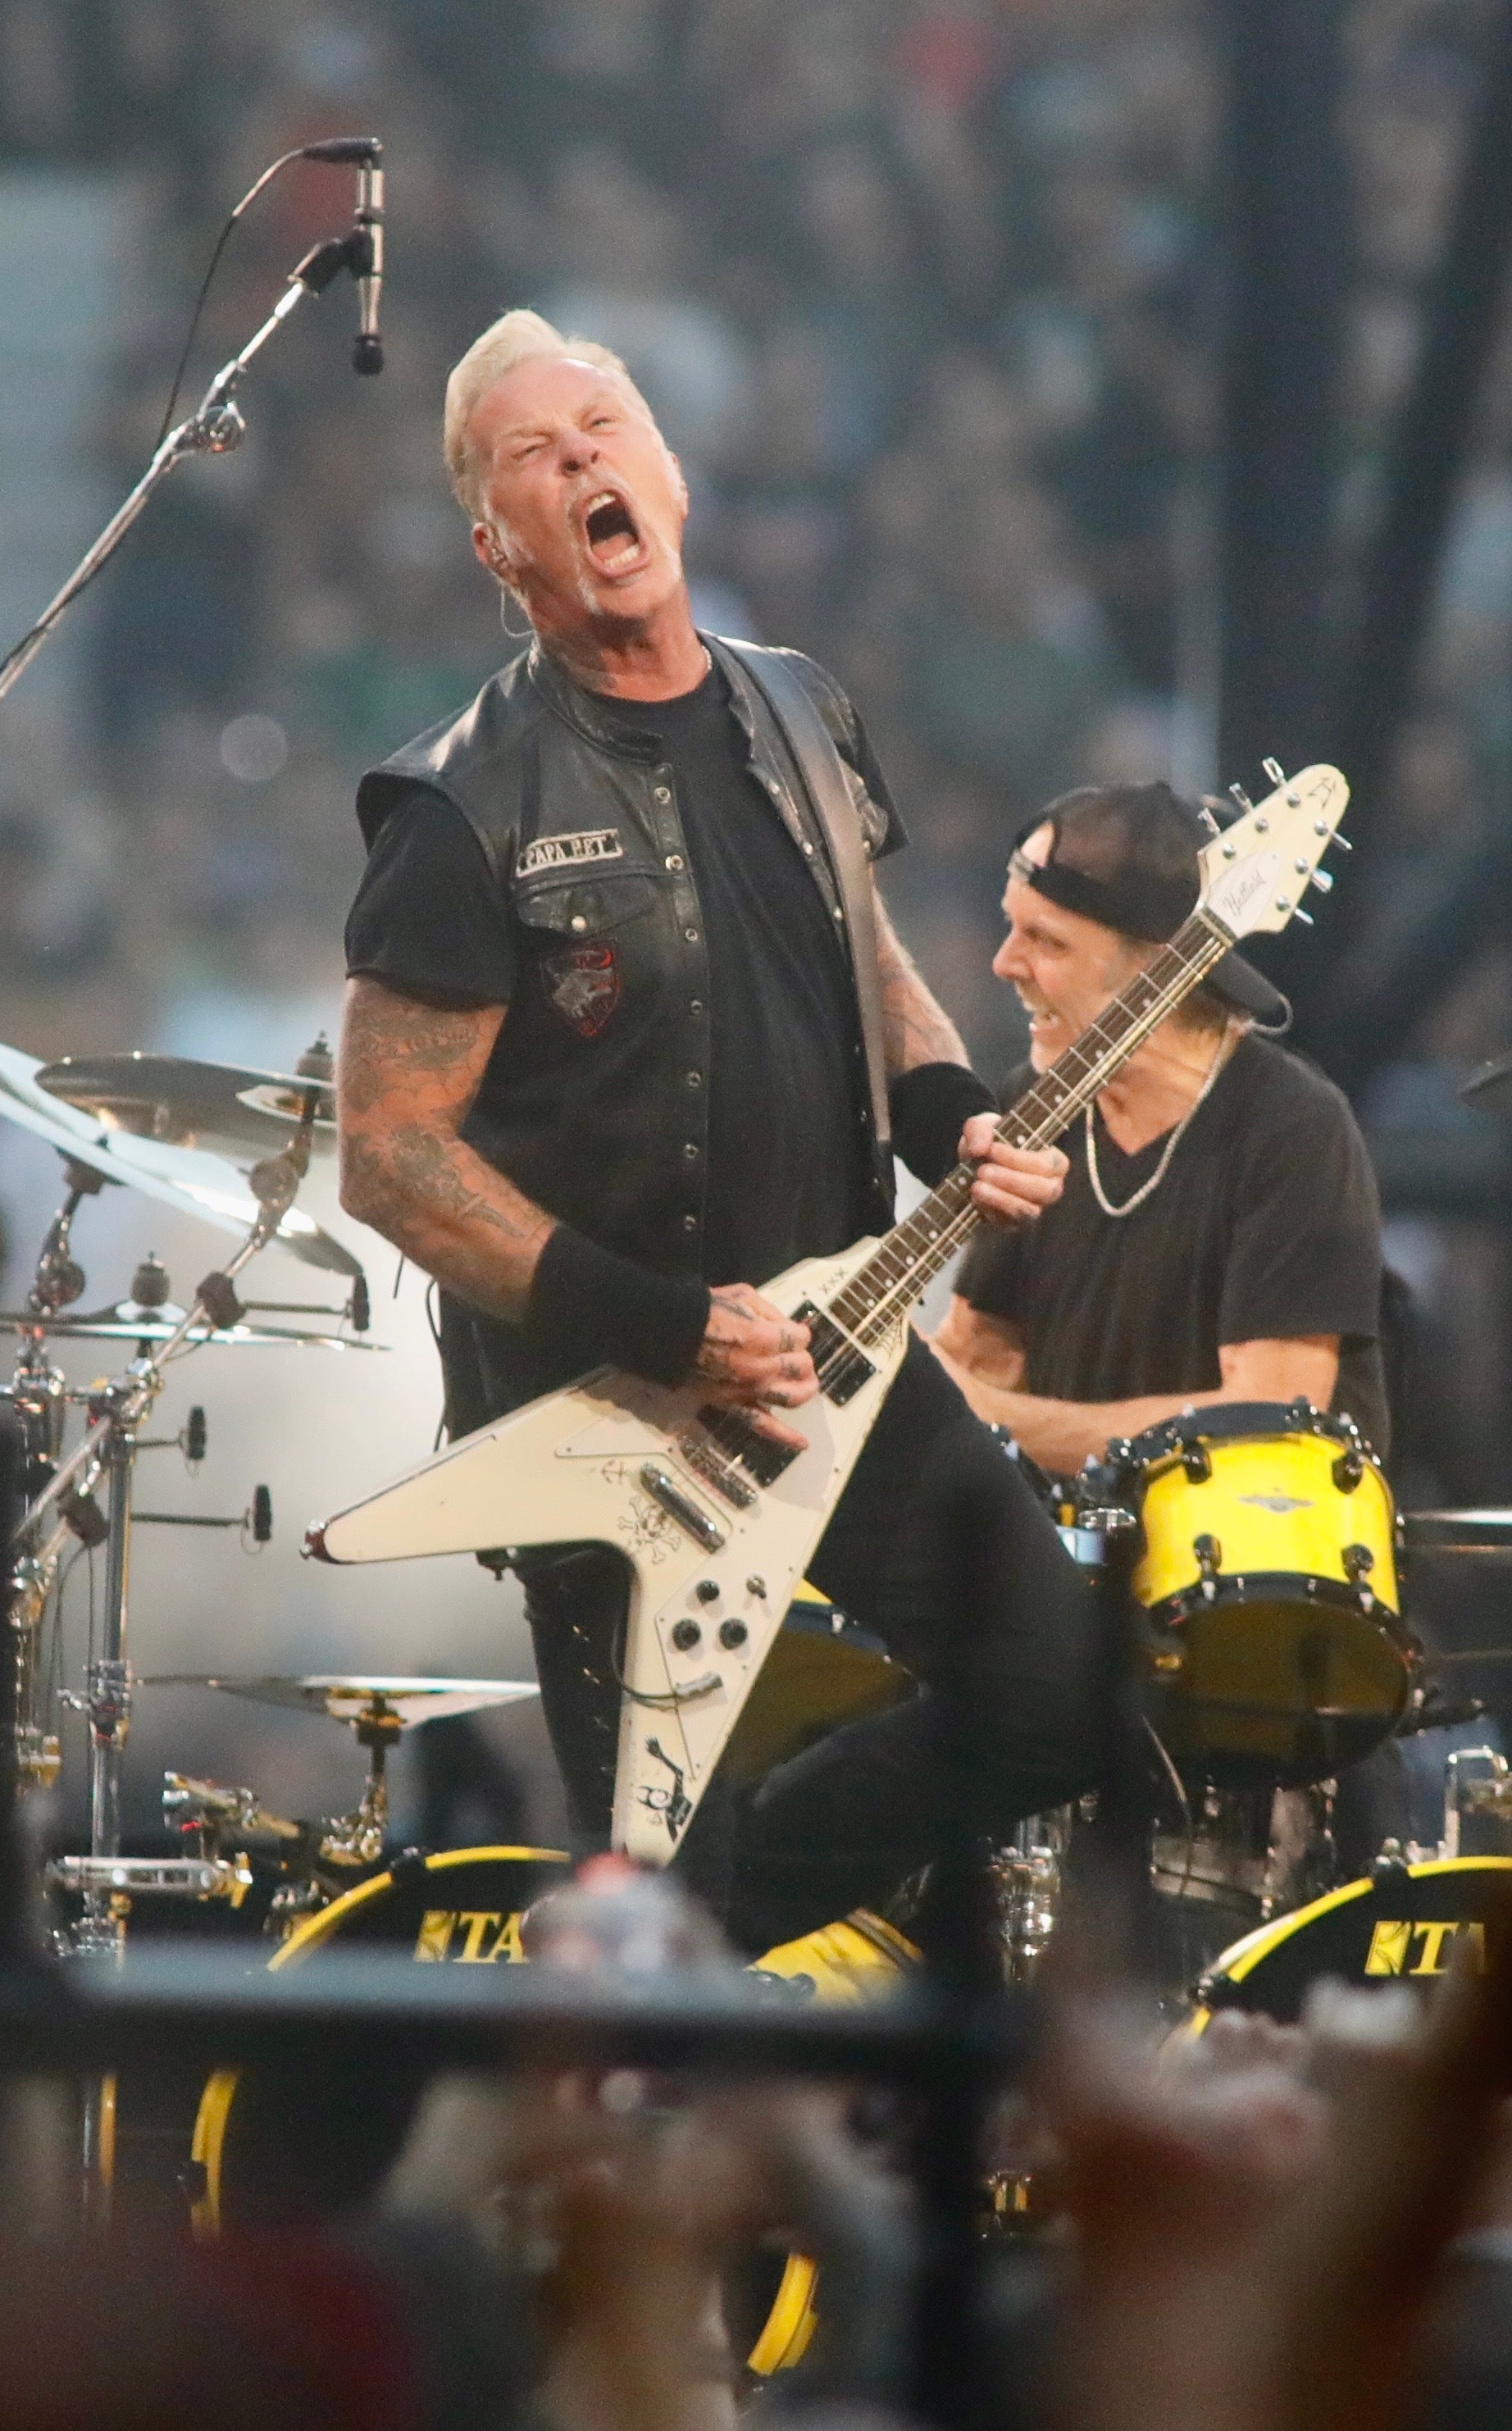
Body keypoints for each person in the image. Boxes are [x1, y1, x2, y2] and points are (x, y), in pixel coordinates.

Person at [335, 308, 1103, 1952]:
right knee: (653, 1862)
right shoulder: (460, 806)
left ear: (671, 475)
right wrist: (666, 1328)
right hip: (614, 1417)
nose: (582, 460)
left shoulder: (798, 711)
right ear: (497, 545)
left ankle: (693, 1926)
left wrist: (956, 1117)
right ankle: (647, 1996)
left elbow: (867, 969)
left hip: (842, 1347)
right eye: (533, 457)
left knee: (1059, 1686)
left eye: (604, 425)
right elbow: (389, 1155)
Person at [928, 780, 1389, 1475]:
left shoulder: (1293, 1127)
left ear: (1155, 970)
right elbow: (978, 1356)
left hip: (1239, 1560)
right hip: (1064, 1555)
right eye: (1009, 924)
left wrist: (996, 1422)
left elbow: (1269, 1420)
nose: (1003, 963)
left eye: (1045, 940)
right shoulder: (1035, 1105)